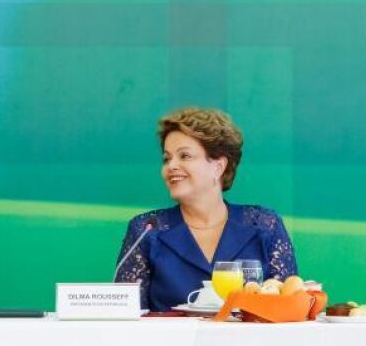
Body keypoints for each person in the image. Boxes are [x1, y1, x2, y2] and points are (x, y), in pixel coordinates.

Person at [114, 107, 297, 311]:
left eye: (184, 156)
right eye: (167, 158)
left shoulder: (265, 226)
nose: (171, 166)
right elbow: (126, 317)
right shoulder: (147, 230)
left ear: (218, 167)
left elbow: (288, 308)